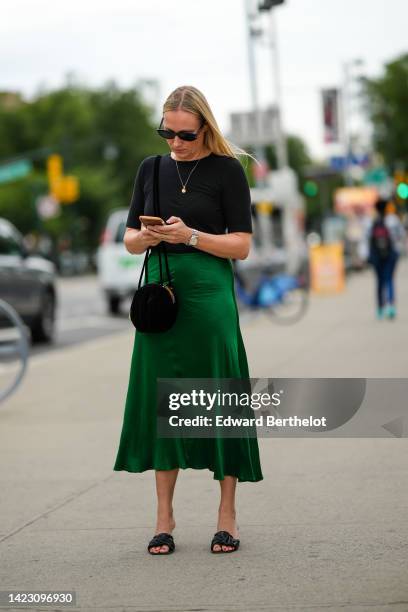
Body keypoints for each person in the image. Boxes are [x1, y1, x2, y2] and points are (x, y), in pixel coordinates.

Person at [113, 85, 263, 555]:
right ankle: (164, 517)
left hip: (209, 292)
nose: (174, 143)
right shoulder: (151, 169)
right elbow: (129, 240)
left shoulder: (226, 171)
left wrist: (192, 236)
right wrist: (149, 237)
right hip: (161, 295)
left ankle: (227, 515)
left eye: (185, 135)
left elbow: (241, 245)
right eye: (167, 133)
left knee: (219, 392)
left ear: (205, 129)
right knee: (164, 399)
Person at [367, 198, 406, 319]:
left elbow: (366, 239)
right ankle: (391, 306)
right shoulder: (393, 220)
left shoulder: (372, 221)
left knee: (379, 281)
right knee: (389, 279)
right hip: (391, 254)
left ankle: (380, 308)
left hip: (376, 255)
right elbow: (401, 235)